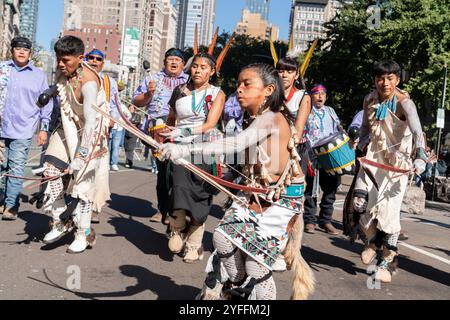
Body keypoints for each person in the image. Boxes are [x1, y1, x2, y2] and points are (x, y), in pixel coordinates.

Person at [160, 63, 315, 300]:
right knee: (222, 238)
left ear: (268, 90)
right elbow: (240, 156)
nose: (239, 89)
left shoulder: (272, 118)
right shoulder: (255, 119)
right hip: (254, 193)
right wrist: (192, 154)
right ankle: (240, 288)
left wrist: (185, 151)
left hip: (280, 199)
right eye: (239, 83)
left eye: (247, 84)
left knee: (256, 265)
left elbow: (235, 144)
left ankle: (249, 291)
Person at [351, 60, 427, 283]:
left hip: (397, 166)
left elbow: (417, 130)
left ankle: (386, 261)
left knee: (389, 214)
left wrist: (421, 155)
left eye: (390, 78)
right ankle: (372, 241)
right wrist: (357, 139)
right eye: (380, 78)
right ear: (375, 80)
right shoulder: (369, 99)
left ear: (398, 79)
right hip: (373, 160)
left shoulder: (406, 104)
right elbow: (365, 128)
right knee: (360, 205)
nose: (385, 83)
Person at [40, 35, 110, 254]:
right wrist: (49, 93)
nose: (61, 64)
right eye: (59, 58)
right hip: (68, 127)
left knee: (83, 187)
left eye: (66, 60)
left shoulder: (89, 82)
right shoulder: (65, 69)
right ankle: (60, 221)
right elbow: (61, 86)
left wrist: (81, 156)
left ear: (80, 58)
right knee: (50, 170)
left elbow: (91, 122)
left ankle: (83, 233)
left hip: (91, 134)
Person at [162, 52, 226, 263]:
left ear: (212, 71)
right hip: (179, 148)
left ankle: (194, 244)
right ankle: (177, 229)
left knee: (200, 194)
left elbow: (209, 124)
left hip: (205, 148)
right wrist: (169, 132)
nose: (198, 70)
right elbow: (172, 118)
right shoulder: (180, 91)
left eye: (203, 67)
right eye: (195, 66)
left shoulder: (218, 93)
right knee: (179, 187)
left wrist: (184, 132)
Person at [133, 48, 189, 224]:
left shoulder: (189, 81)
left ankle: (176, 210)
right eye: (170, 59)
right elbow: (136, 101)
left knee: (178, 172)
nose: (173, 62)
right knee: (163, 172)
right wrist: (149, 94)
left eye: (177, 60)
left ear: (183, 64)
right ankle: (163, 210)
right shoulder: (152, 79)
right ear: (164, 61)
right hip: (157, 130)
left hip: (182, 131)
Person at [0, 36, 53, 220]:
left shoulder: (39, 75)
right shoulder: (2, 69)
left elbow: (46, 104)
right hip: (1, 126)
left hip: (22, 129)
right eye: (18, 48)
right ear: (12, 50)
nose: (22, 51)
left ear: (30, 53)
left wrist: (44, 128)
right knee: (1, 166)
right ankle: (2, 199)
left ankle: (11, 206)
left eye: (25, 49)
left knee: (15, 168)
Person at [273, 57, 311, 272]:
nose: (284, 74)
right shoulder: (270, 92)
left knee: (292, 202)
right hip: (270, 150)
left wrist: (286, 147)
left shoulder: (303, 97)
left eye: (289, 71)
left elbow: (298, 129)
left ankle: (287, 248)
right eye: (281, 70)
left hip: (295, 152)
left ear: (297, 74)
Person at [303, 84, 342, 235]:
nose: (320, 96)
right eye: (316, 94)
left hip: (331, 156)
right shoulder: (306, 111)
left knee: (331, 189)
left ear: (326, 97)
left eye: (322, 94)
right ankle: (310, 221)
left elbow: (339, 128)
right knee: (311, 190)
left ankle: (326, 220)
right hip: (313, 155)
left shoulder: (330, 111)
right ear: (311, 96)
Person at [85, 49, 130, 173]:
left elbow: (115, 104)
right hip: (80, 123)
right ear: (85, 59)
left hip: (100, 125)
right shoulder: (78, 77)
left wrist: (111, 119)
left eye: (98, 59)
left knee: (97, 158)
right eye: (91, 58)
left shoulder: (109, 81)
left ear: (102, 64)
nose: (94, 61)